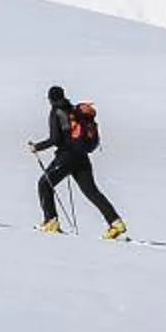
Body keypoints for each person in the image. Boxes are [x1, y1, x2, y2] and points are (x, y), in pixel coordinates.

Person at [28, 84, 126, 238]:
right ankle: (116, 223)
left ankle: (50, 221)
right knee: (92, 192)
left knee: (44, 184)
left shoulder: (56, 112)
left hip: (67, 157)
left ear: (50, 99)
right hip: (81, 157)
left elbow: (55, 139)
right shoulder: (73, 109)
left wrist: (37, 147)